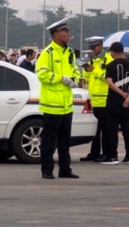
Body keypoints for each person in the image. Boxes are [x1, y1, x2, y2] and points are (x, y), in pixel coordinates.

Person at [35, 17, 79, 180]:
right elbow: (41, 73)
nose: (68, 34)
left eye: (67, 31)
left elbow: (76, 70)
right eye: (65, 31)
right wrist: (60, 78)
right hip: (52, 104)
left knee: (64, 141)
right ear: (56, 34)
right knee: (48, 140)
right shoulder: (48, 53)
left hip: (66, 104)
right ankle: (47, 170)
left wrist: (74, 78)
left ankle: (65, 169)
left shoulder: (69, 53)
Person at [102, 41, 129, 165]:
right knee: (126, 129)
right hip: (127, 103)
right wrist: (128, 97)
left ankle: (113, 156)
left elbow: (109, 82)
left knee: (112, 129)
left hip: (113, 101)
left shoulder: (110, 65)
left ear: (112, 52)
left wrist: (121, 94)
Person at [80, 36, 110, 163]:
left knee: (105, 129)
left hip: (104, 99)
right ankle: (94, 152)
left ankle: (106, 153)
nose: (92, 50)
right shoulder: (93, 59)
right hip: (93, 99)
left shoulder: (108, 58)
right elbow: (87, 76)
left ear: (100, 46)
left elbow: (107, 76)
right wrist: (86, 69)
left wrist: (95, 70)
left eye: (94, 47)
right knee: (95, 129)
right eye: (90, 48)